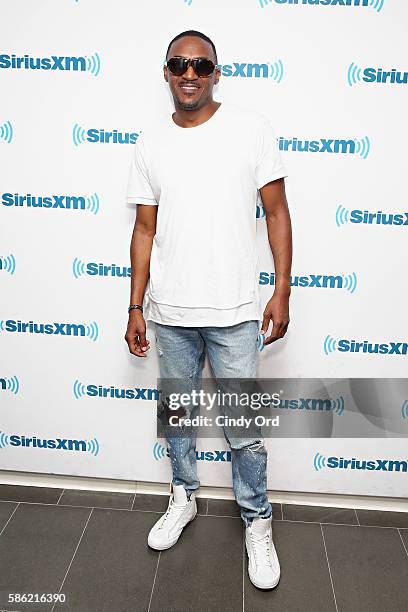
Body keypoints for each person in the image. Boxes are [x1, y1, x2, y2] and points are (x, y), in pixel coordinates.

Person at [125, 30, 292, 590]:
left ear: (216, 71)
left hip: (236, 310)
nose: (189, 73)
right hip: (169, 311)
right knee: (179, 420)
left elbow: (276, 213)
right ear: (166, 72)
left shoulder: (251, 129)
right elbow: (144, 228)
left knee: (241, 429)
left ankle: (258, 522)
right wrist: (134, 304)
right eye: (178, 64)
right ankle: (183, 498)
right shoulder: (150, 142)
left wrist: (283, 289)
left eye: (200, 64)